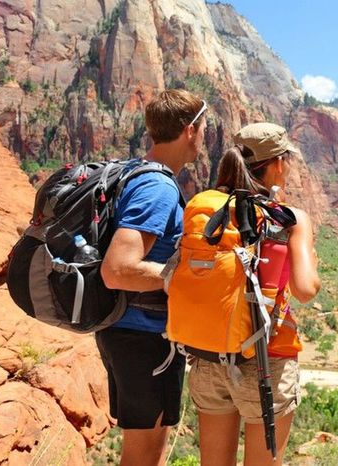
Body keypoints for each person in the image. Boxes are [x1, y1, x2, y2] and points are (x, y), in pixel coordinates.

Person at [189, 122, 321, 466]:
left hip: (210, 355)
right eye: (288, 160)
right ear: (278, 164)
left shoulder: (209, 211)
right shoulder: (290, 217)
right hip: (268, 359)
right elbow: (306, 289)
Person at [98, 89, 207, 466]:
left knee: (146, 452)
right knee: (143, 456)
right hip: (142, 337)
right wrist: (185, 278)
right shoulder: (158, 187)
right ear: (191, 130)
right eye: (203, 127)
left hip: (128, 332)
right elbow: (117, 269)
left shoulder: (135, 171)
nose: (205, 135)